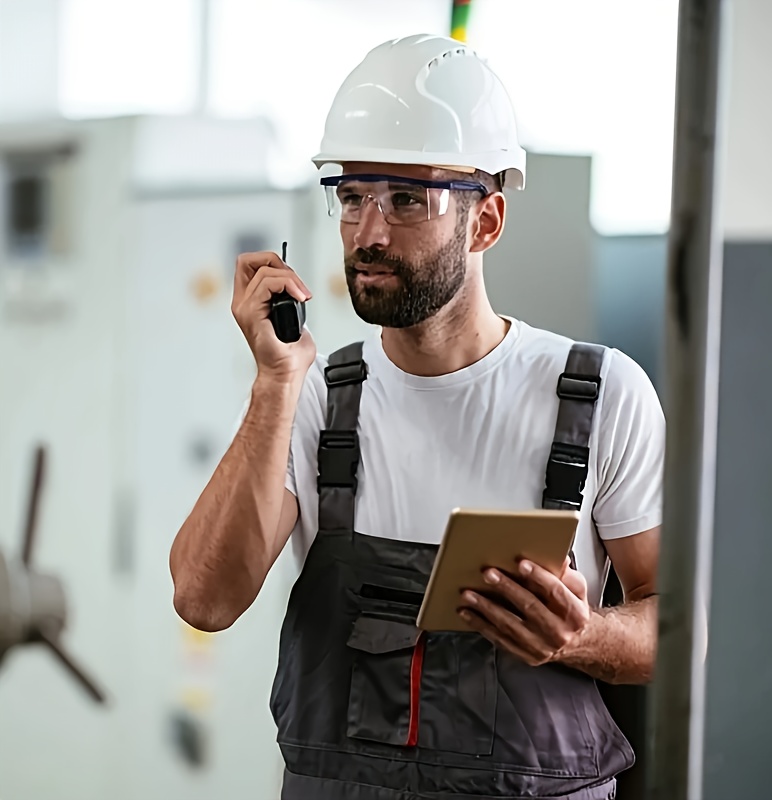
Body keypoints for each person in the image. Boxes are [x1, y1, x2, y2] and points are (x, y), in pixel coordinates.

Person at [169, 34, 664, 800]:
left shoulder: (602, 397)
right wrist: (274, 382)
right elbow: (205, 599)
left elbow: (678, 628)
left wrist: (586, 634)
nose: (368, 232)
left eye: (406, 200)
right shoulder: (315, 400)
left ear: (486, 223)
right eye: (353, 196)